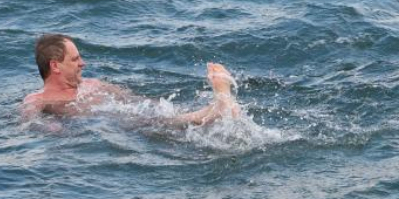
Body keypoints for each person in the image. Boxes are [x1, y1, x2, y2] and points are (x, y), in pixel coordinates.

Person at [22, 33, 241, 127]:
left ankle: (216, 109)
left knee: (157, 119)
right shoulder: (38, 101)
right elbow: (30, 122)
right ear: (55, 66)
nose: (83, 63)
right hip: (110, 124)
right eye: (75, 59)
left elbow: (137, 101)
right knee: (157, 122)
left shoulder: (96, 84)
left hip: (122, 120)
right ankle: (217, 107)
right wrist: (51, 129)